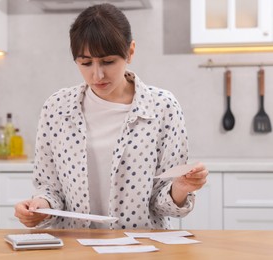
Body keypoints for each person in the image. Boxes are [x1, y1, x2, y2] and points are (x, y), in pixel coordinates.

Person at [15, 3, 208, 229]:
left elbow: (162, 204)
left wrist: (181, 188)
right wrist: (40, 206)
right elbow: (50, 189)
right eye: (85, 63)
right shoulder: (56, 109)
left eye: (108, 62)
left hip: (140, 247)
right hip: (75, 246)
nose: (97, 74)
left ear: (130, 52)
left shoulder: (162, 108)